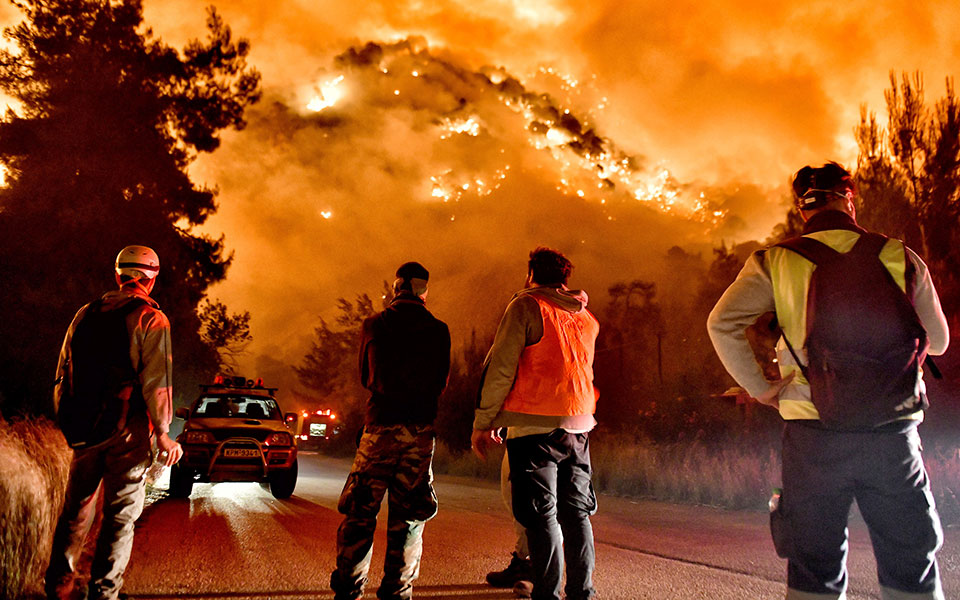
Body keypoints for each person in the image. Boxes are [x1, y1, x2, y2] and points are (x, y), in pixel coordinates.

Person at [707, 162, 949, 600]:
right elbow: (941, 342)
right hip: (893, 436)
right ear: (849, 199)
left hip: (814, 436)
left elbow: (721, 324)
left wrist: (762, 388)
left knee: (814, 566)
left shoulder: (776, 260)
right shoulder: (900, 255)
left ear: (803, 208)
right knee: (911, 562)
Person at [45, 245, 183, 600]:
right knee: (120, 514)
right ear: (151, 279)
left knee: (76, 508)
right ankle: (104, 592)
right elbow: (158, 382)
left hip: (85, 427)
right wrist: (164, 433)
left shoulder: (85, 314)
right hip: (127, 431)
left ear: (118, 274)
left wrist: (71, 422)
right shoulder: (152, 319)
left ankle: (58, 584)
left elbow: (62, 373)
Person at [473, 247, 600, 600]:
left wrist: (484, 422)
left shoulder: (526, 306)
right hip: (579, 426)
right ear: (564, 278)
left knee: (542, 516)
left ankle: (547, 596)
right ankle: (582, 594)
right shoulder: (585, 317)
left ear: (531, 274)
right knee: (576, 515)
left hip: (534, 431)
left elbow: (501, 368)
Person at [330, 261, 451, 600]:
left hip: (380, 428)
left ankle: (349, 588)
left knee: (360, 513)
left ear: (397, 287)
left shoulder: (373, 325)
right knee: (410, 518)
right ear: (423, 290)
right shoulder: (439, 330)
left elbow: (365, 376)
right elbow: (440, 383)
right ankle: (398, 591)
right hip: (419, 433)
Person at [484, 446, 534, 596]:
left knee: (521, 496)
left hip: (528, 432)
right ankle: (578, 585)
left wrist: (483, 425)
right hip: (570, 431)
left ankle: (529, 566)